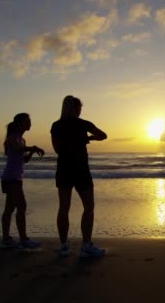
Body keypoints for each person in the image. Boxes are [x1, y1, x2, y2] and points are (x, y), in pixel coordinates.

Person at [51, 95, 107, 258]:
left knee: (64, 207)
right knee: (88, 207)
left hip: (63, 169)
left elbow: (57, 149)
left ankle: (63, 246)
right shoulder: (83, 124)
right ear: (77, 109)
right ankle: (86, 245)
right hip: (80, 169)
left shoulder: (56, 125)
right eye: (80, 108)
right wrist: (90, 137)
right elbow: (104, 135)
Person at [0, 113, 45, 249]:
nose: (30, 123)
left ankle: (6, 239)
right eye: (28, 121)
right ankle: (23, 239)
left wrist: (31, 151)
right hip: (11, 177)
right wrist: (33, 148)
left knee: (10, 208)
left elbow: (24, 159)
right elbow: (17, 149)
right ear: (20, 123)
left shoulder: (22, 139)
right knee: (21, 206)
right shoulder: (13, 138)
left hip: (16, 177)